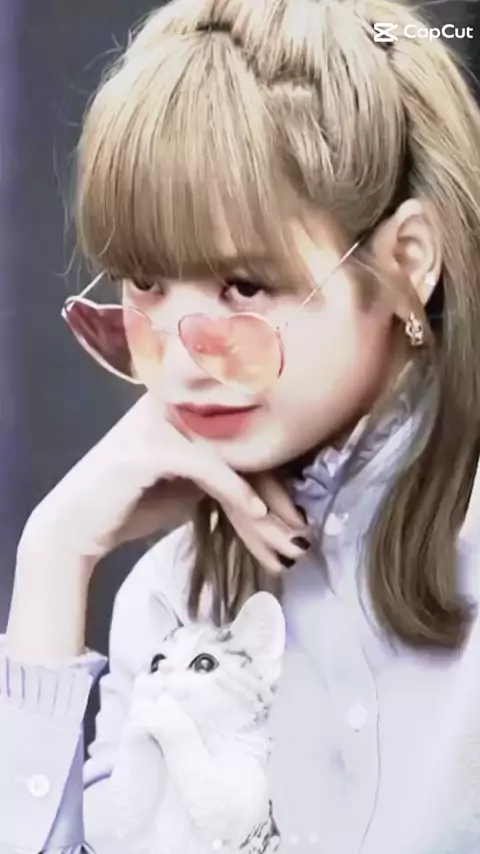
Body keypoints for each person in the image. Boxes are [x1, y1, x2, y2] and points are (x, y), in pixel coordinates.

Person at [2, 0, 480, 850]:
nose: (183, 361)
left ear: (407, 263)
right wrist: (54, 554)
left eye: (244, 288)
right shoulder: (171, 595)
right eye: (145, 283)